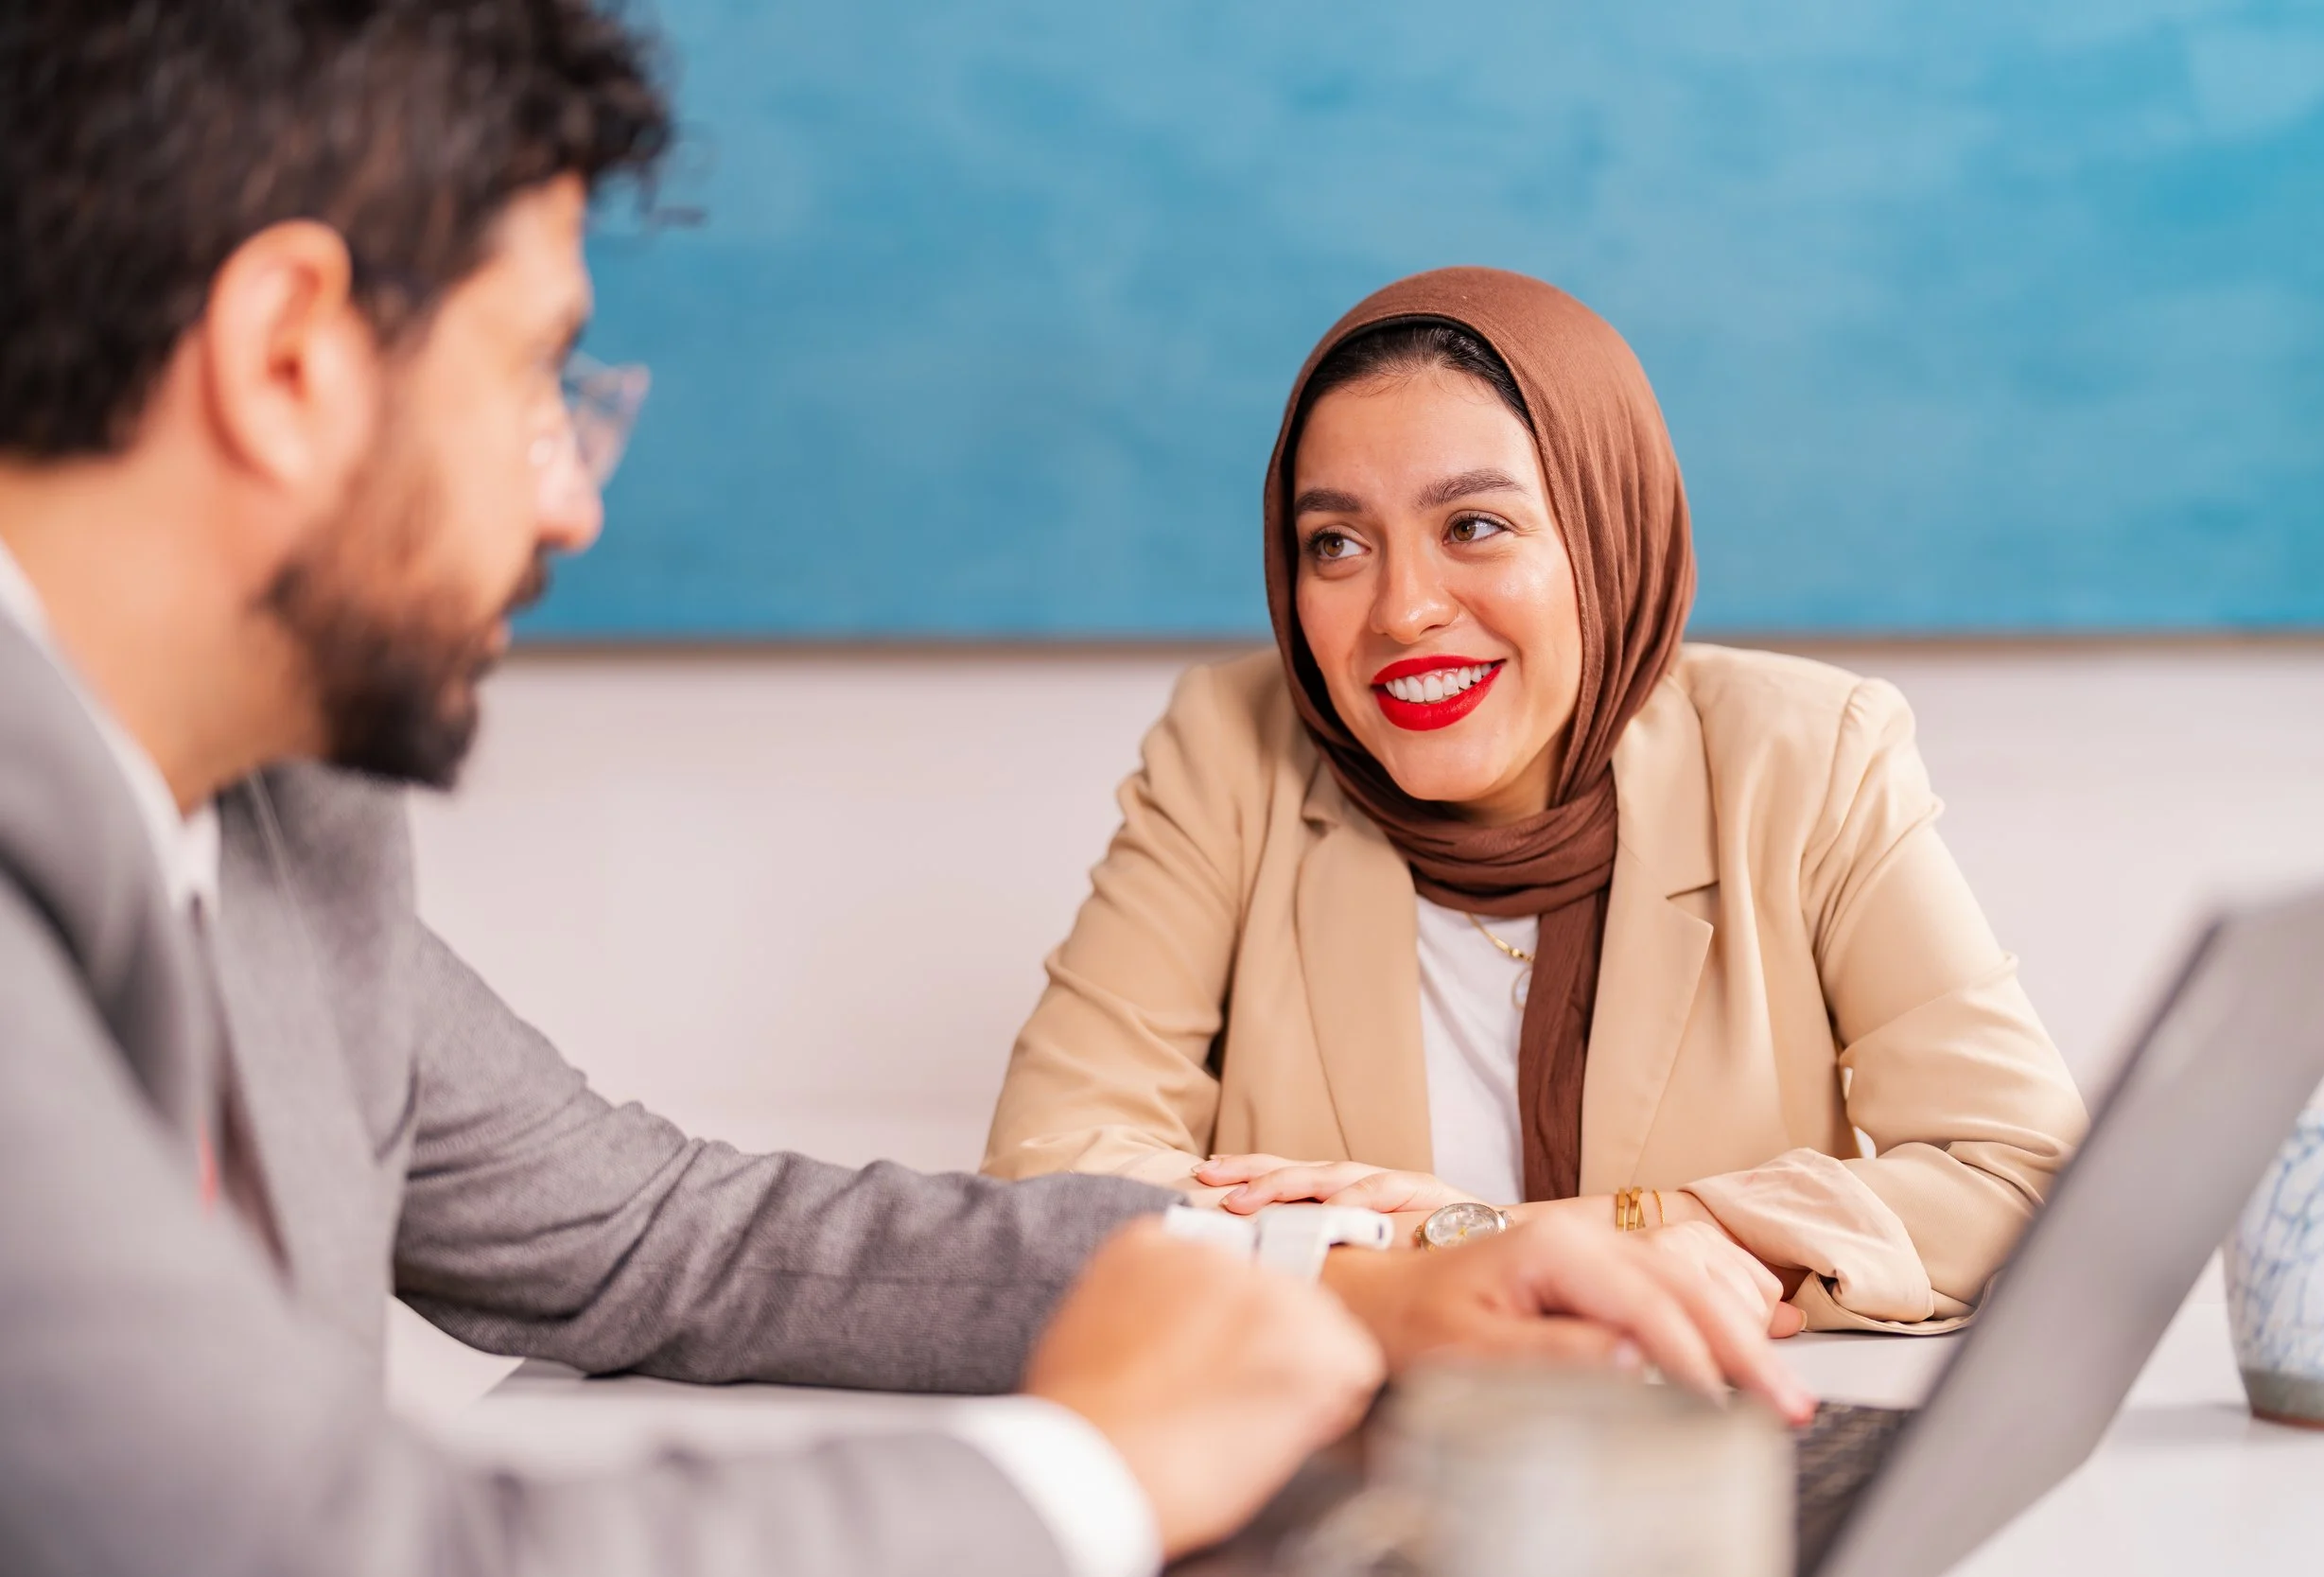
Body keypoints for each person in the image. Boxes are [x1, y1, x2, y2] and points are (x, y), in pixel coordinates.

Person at [0, 8, 1814, 1577]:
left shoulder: (280, 823)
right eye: (538, 377)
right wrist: (1081, 1471)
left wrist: (1349, 1282)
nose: (574, 499)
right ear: (288, 358)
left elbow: (659, 1236)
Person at [985, 268, 2092, 1335]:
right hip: (1353, 1451)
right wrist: (1430, 1255)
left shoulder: (1802, 757)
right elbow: (1050, 1176)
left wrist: (1602, 1229)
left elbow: (2019, 1172)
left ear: (1604, 533)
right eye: (1336, 544)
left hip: (1711, 1452)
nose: (1402, 610)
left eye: (1473, 525)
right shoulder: (1230, 749)